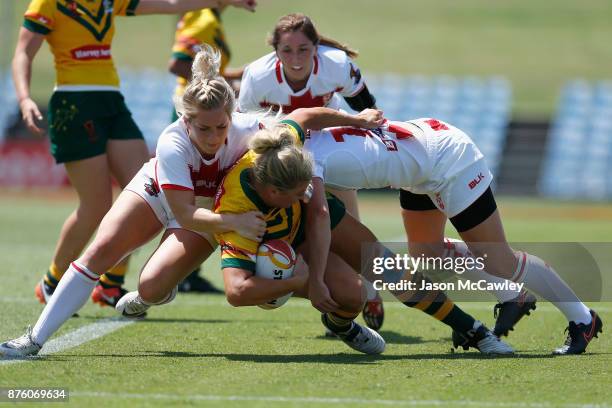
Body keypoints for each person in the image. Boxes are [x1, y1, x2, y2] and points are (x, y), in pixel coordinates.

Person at [0, 46, 386, 358]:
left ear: (231, 115)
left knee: (345, 291)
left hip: (217, 210)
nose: (214, 136)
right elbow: (184, 213)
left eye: (221, 126)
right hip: (173, 199)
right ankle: (33, 339)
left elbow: (303, 115)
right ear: (186, 121)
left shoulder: (246, 130)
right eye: (203, 128)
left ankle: (342, 320)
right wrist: (235, 224)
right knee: (104, 255)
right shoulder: (172, 143)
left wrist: (358, 121)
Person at [119, 118, 514, 355]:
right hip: (255, 243)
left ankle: (472, 330)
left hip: (300, 236)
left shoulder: (287, 154)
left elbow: (307, 118)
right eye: (297, 194)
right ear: (271, 192)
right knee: (155, 285)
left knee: (370, 282)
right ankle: (148, 294)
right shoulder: (239, 210)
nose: (307, 195)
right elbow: (237, 292)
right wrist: (299, 280)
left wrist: (355, 119)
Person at [13, 0, 256, 308]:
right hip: (73, 103)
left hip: (111, 101)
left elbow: (169, 4)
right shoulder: (49, 4)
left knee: (142, 190)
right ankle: (52, 281)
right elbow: (23, 51)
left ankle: (111, 283)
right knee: (96, 204)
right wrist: (24, 98)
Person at [293, 117, 602, 355]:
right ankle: (513, 295)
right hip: (420, 163)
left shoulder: (304, 160)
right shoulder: (297, 127)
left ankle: (583, 319)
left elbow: (321, 215)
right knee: (428, 255)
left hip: (448, 159)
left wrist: (316, 276)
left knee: (499, 259)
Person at [237, 12, 384, 332]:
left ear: (316, 47)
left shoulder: (336, 63)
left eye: (303, 49)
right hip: (282, 154)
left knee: (347, 224)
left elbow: (364, 105)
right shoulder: (257, 76)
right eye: (287, 51)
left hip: (328, 144)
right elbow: (244, 127)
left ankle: (368, 289)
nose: (296, 58)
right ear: (274, 50)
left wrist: (371, 126)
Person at [168, 6, 245, 293]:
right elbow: (177, 63)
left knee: (204, 194)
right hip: (195, 117)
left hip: (204, 118)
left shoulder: (213, 19)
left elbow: (215, 72)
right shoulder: (202, 17)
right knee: (186, 198)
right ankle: (179, 268)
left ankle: (188, 269)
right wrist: (211, 94)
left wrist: (234, 77)